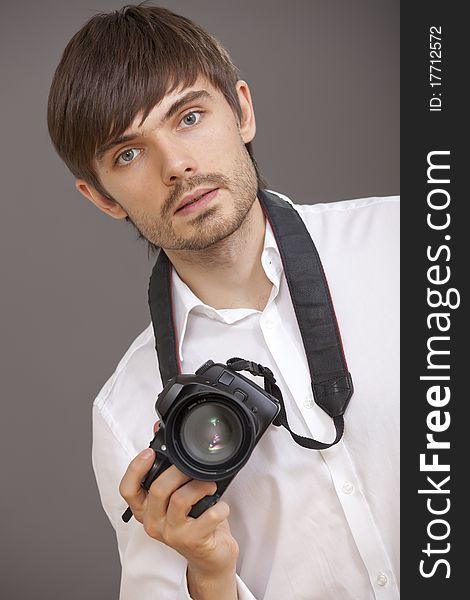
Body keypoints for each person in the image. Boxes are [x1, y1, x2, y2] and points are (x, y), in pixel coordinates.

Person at [47, 4, 399, 599]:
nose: (177, 165)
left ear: (241, 110)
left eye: (188, 117)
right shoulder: (124, 416)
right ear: (101, 196)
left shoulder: (406, 244)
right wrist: (207, 571)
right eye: (128, 154)